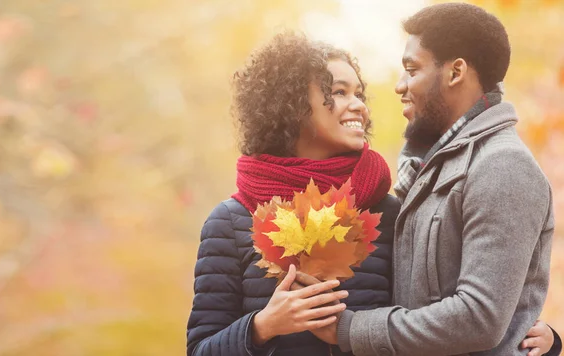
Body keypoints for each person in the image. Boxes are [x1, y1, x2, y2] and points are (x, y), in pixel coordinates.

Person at [186, 31, 558, 356]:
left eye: (359, 93)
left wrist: (534, 334)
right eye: (338, 92)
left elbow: (452, 315)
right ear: (290, 105)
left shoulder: (389, 212)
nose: (359, 106)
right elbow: (201, 348)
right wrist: (263, 326)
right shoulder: (231, 222)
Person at [305, 3, 561, 356]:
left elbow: (478, 318)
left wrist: (350, 329)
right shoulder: (430, 168)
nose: (399, 86)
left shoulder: (502, 167)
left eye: (412, 70)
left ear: (456, 72)